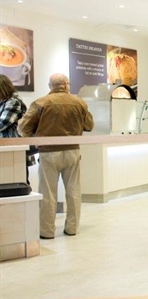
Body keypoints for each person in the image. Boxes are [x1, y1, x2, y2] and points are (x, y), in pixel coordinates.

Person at [18, 73, 94, 239]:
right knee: (73, 191)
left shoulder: (40, 103)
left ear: (50, 86)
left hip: (48, 152)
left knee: (48, 193)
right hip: (73, 151)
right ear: (66, 84)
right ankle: (72, 228)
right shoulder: (79, 102)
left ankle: (47, 231)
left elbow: (23, 128)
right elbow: (89, 125)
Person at [0, 75, 32, 183]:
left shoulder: (14, 102)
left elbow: (3, 123)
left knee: (19, 183)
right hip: (6, 150)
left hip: (14, 150)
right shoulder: (3, 102)